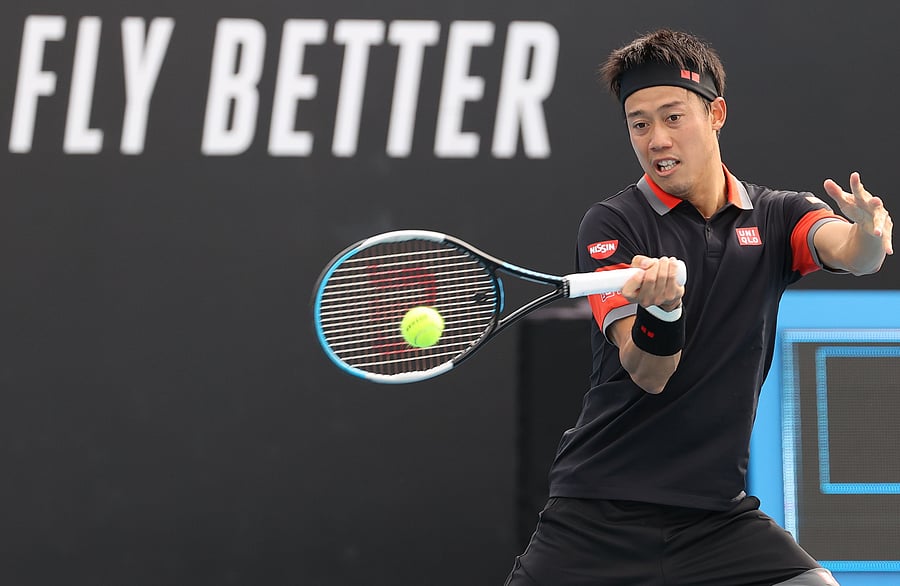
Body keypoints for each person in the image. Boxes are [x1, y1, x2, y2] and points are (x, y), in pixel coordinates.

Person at [505, 28, 893, 586]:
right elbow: (647, 371)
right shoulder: (613, 225)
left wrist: (869, 236)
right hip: (599, 512)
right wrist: (662, 311)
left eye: (672, 117)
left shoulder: (778, 216)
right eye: (639, 124)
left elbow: (851, 253)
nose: (656, 138)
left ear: (716, 115)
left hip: (715, 517)